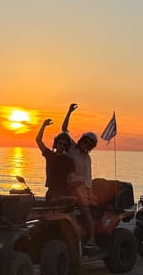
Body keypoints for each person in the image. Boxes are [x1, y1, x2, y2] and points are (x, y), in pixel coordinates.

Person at [61, 103, 99, 252]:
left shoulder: (87, 158)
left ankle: (92, 239)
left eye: (89, 143)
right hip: (68, 185)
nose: (86, 144)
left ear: (91, 146)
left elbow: (88, 178)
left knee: (84, 210)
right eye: (85, 141)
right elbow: (64, 129)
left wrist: (89, 192)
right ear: (81, 140)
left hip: (81, 188)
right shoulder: (72, 148)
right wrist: (69, 111)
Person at [36, 118, 75, 201]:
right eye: (60, 143)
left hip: (64, 191)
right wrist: (43, 125)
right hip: (52, 191)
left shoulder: (69, 160)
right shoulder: (50, 155)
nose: (62, 146)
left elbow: (71, 178)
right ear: (56, 143)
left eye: (65, 145)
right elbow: (38, 140)